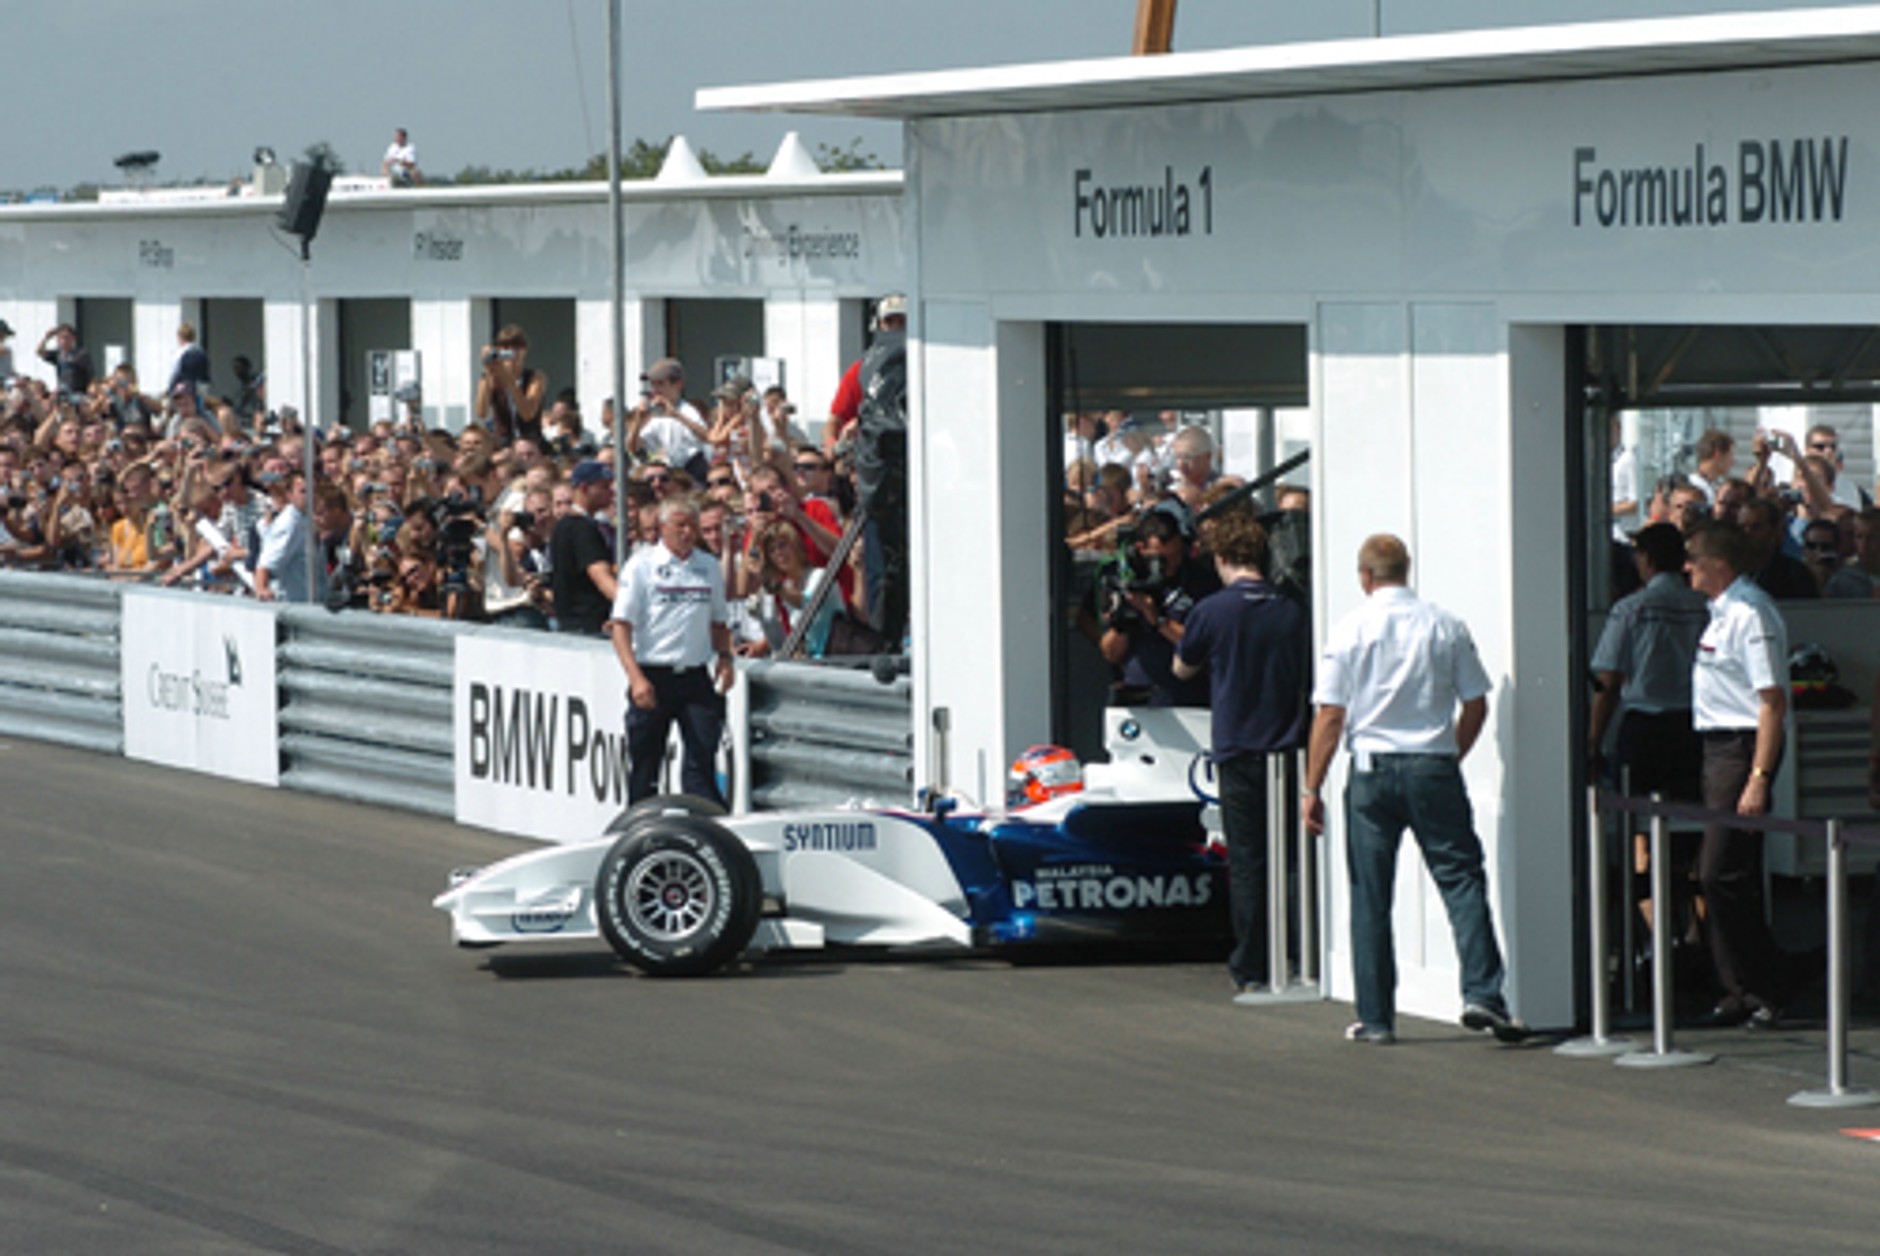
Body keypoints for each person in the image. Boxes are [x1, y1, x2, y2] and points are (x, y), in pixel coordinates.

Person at [1302, 533, 1527, 1046]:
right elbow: (1476, 704)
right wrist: (1450, 753)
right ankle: (1482, 993)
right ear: (1407, 570)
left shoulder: (1349, 629)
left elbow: (1331, 715)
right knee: (1461, 878)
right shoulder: (1444, 625)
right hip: (1432, 764)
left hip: (1371, 770)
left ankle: (1377, 1018)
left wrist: (1311, 787)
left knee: (1370, 894)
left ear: (1365, 577)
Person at [1171, 510, 1310, 998]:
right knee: (1294, 858)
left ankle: (1252, 962)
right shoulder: (1293, 607)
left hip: (1237, 744)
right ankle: (1302, 950)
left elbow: (1182, 668)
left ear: (1223, 558)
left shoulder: (1212, 610)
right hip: (1290, 745)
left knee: (1249, 861)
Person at [1684, 520, 1791, 1027]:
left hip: (1741, 747)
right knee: (1728, 874)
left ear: (1719, 566)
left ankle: (1761, 984)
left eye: (1694, 560)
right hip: (1716, 746)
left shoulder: (1750, 613)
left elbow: (1771, 701)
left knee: (1721, 871)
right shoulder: (1720, 613)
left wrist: (1759, 775)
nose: (1686, 569)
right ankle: (1739, 989)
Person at [1587, 523, 1709, 958]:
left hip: (1644, 727)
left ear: (1646, 559)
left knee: (1639, 831)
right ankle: (1696, 933)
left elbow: (1610, 682)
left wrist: (1593, 741)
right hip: (1693, 727)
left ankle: (1656, 938)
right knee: (1693, 831)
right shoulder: (1703, 607)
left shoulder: (1631, 609)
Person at [609, 495, 734, 806]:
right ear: (663, 527)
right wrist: (636, 677)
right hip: (654, 673)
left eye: (692, 526)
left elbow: (720, 621)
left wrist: (726, 659)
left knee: (701, 760)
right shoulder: (641, 565)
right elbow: (620, 626)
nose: (688, 533)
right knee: (645, 765)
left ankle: (706, 826)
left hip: (694, 676)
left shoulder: (708, 567)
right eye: (680, 526)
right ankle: (639, 828)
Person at [1097, 501, 1219, 706]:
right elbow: (1111, 653)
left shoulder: (1199, 580)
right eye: (1162, 559)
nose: (1172, 564)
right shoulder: (1122, 579)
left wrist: (1158, 619)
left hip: (1189, 696)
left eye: (1176, 556)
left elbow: (1202, 644)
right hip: (1141, 694)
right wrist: (1124, 620)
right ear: (1141, 548)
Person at [549, 459, 617, 635]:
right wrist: (629, 607)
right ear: (585, 488)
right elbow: (599, 574)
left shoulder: (566, 525)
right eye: (604, 487)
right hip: (587, 624)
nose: (611, 493)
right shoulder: (580, 528)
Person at [473, 325, 546, 448]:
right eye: (506, 348)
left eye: (517, 348)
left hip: (532, 443)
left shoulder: (535, 377)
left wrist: (506, 375)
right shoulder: (491, 378)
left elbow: (527, 413)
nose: (512, 353)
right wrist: (488, 370)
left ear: (525, 350)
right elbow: (481, 412)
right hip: (504, 443)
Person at [254, 469, 312, 602]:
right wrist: (262, 588)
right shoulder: (289, 524)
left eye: (313, 490)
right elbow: (266, 563)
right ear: (289, 496)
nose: (310, 495)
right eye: (303, 491)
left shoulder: (309, 517)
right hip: (295, 603)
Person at [36, 324, 93, 400]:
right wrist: (47, 338)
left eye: (66, 338)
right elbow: (39, 352)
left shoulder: (81, 355)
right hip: (63, 393)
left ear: (73, 338)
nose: (64, 341)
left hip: (78, 394)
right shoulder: (58, 355)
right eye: (61, 338)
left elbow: (90, 375)